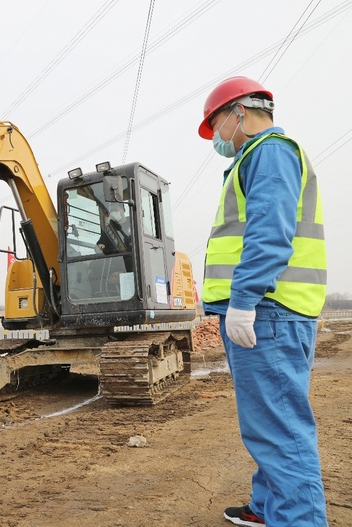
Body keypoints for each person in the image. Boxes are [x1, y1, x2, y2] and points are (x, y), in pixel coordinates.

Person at [199, 76, 328, 527]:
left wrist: (244, 299)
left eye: (215, 124)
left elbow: (270, 233)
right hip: (270, 312)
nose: (216, 137)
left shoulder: (269, 152)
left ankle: (297, 520)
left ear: (239, 112)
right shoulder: (256, 158)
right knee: (268, 423)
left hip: (267, 311)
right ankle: (268, 507)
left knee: (280, 431)